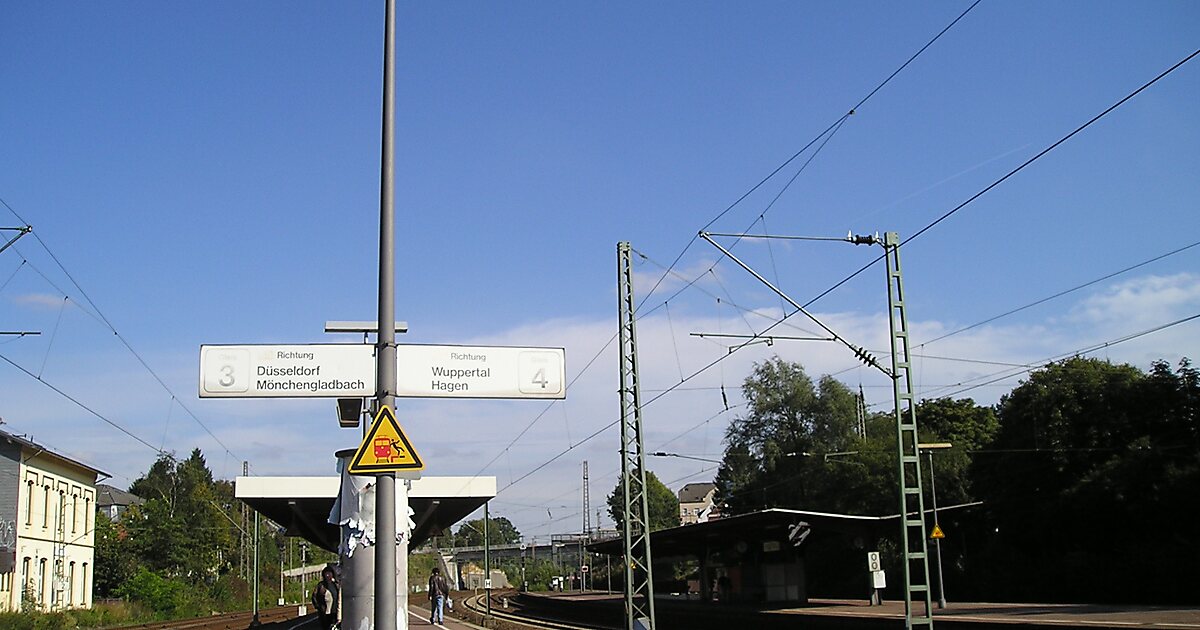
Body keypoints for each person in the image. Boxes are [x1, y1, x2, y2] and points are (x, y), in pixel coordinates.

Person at [311, 566, 340, 630]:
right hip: (325, 612)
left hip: (335, 611)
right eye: (326, 573)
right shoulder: (321, 585)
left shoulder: (336, 585)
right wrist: (318, 606)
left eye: (329, 573)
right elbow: (314, 596)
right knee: (326, 627)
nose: (327, 575)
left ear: (332, 574)